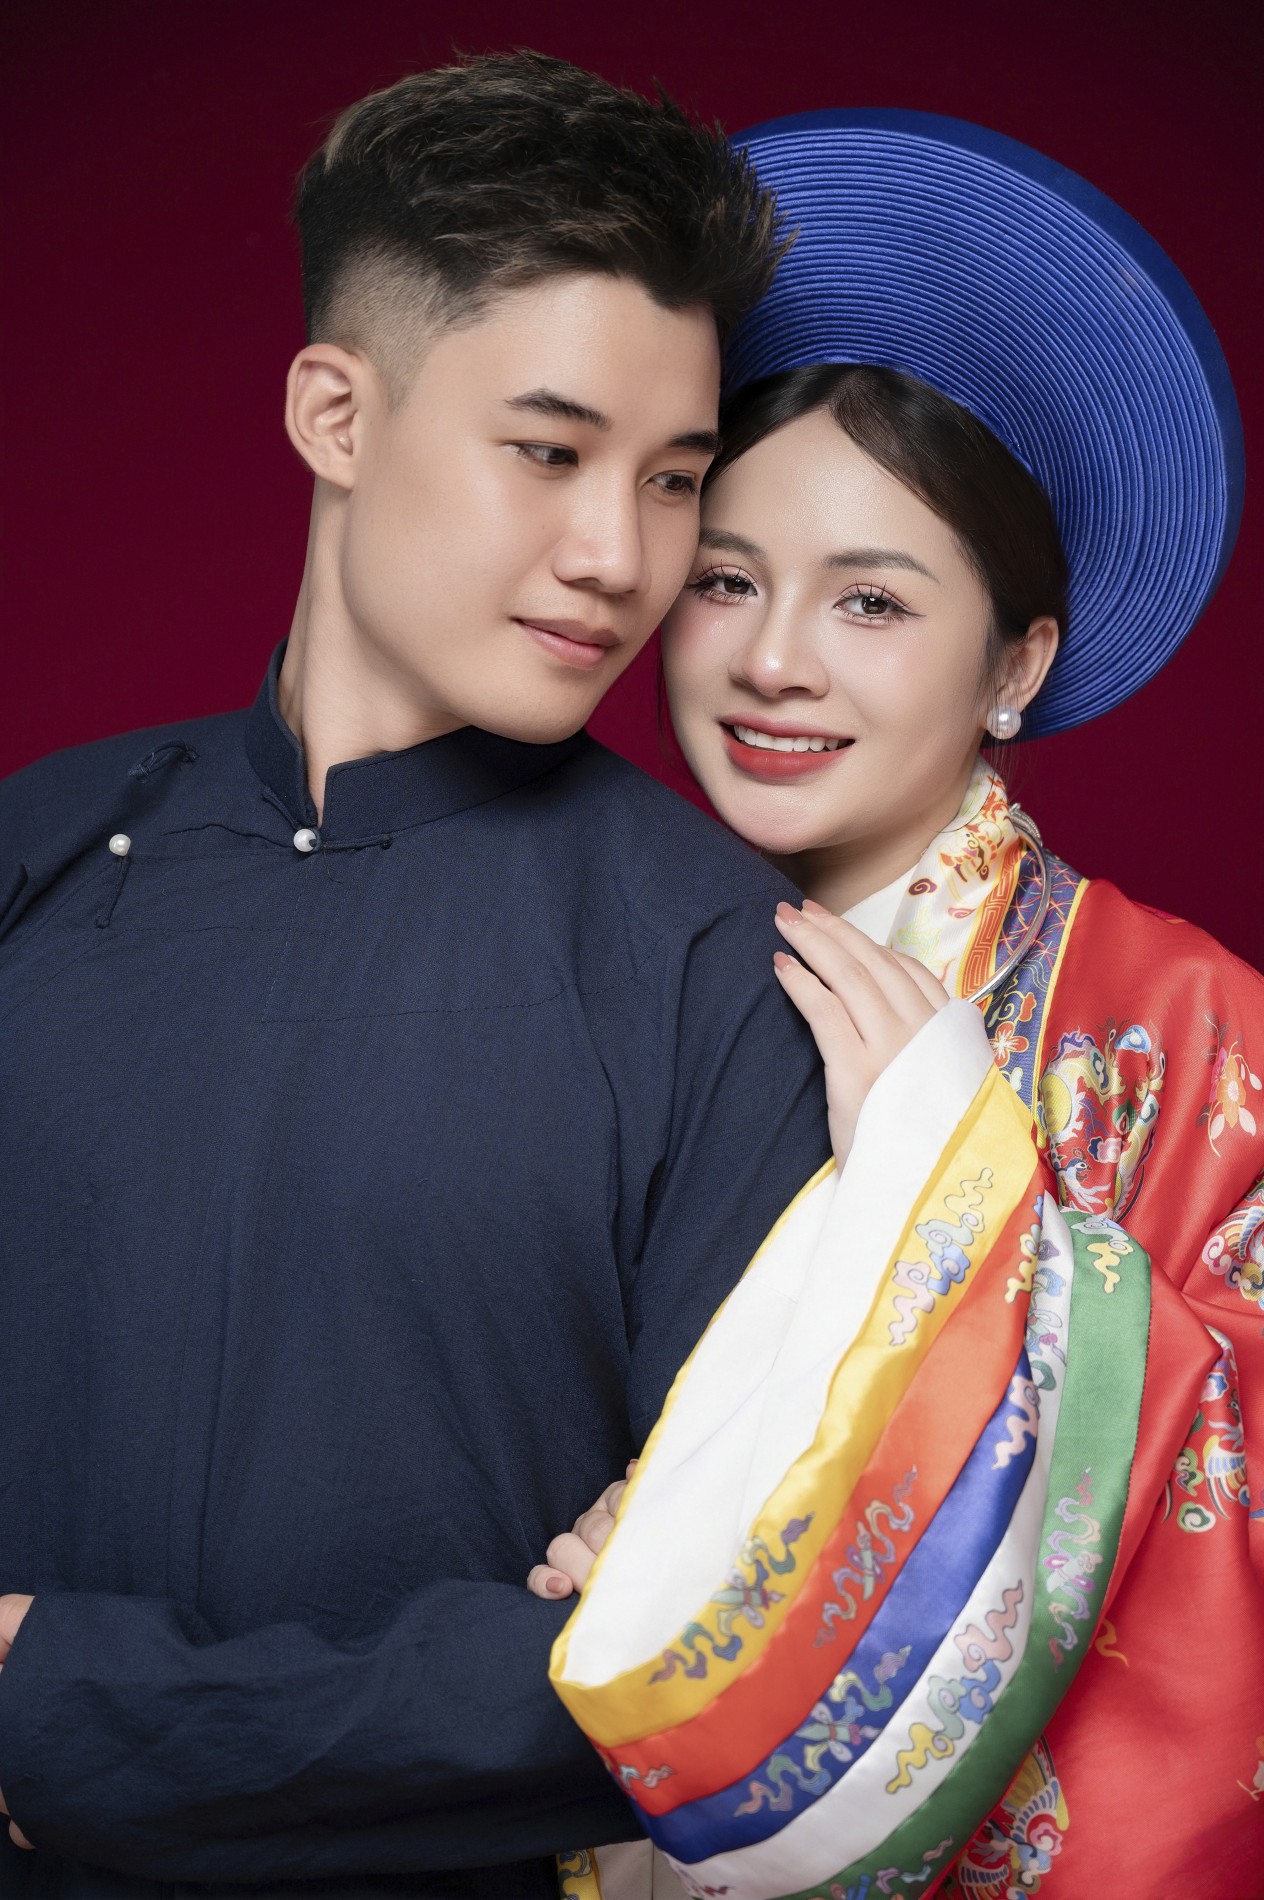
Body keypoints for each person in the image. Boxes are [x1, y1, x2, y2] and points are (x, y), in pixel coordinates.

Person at [0, 55, 834, 1898]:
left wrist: (55, 1710)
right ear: (336, 413)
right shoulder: (35, 852)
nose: (618, 557)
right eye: (547, 452)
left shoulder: (719, 964)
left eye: (674, 480)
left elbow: (703, 1661)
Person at [542, 113, 1262, 1899]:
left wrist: (949, 1187)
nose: (773, 660)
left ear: (1018, 658)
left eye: (871, 600)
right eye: (727, 579)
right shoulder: (579, 963)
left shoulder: (1192, 1034)